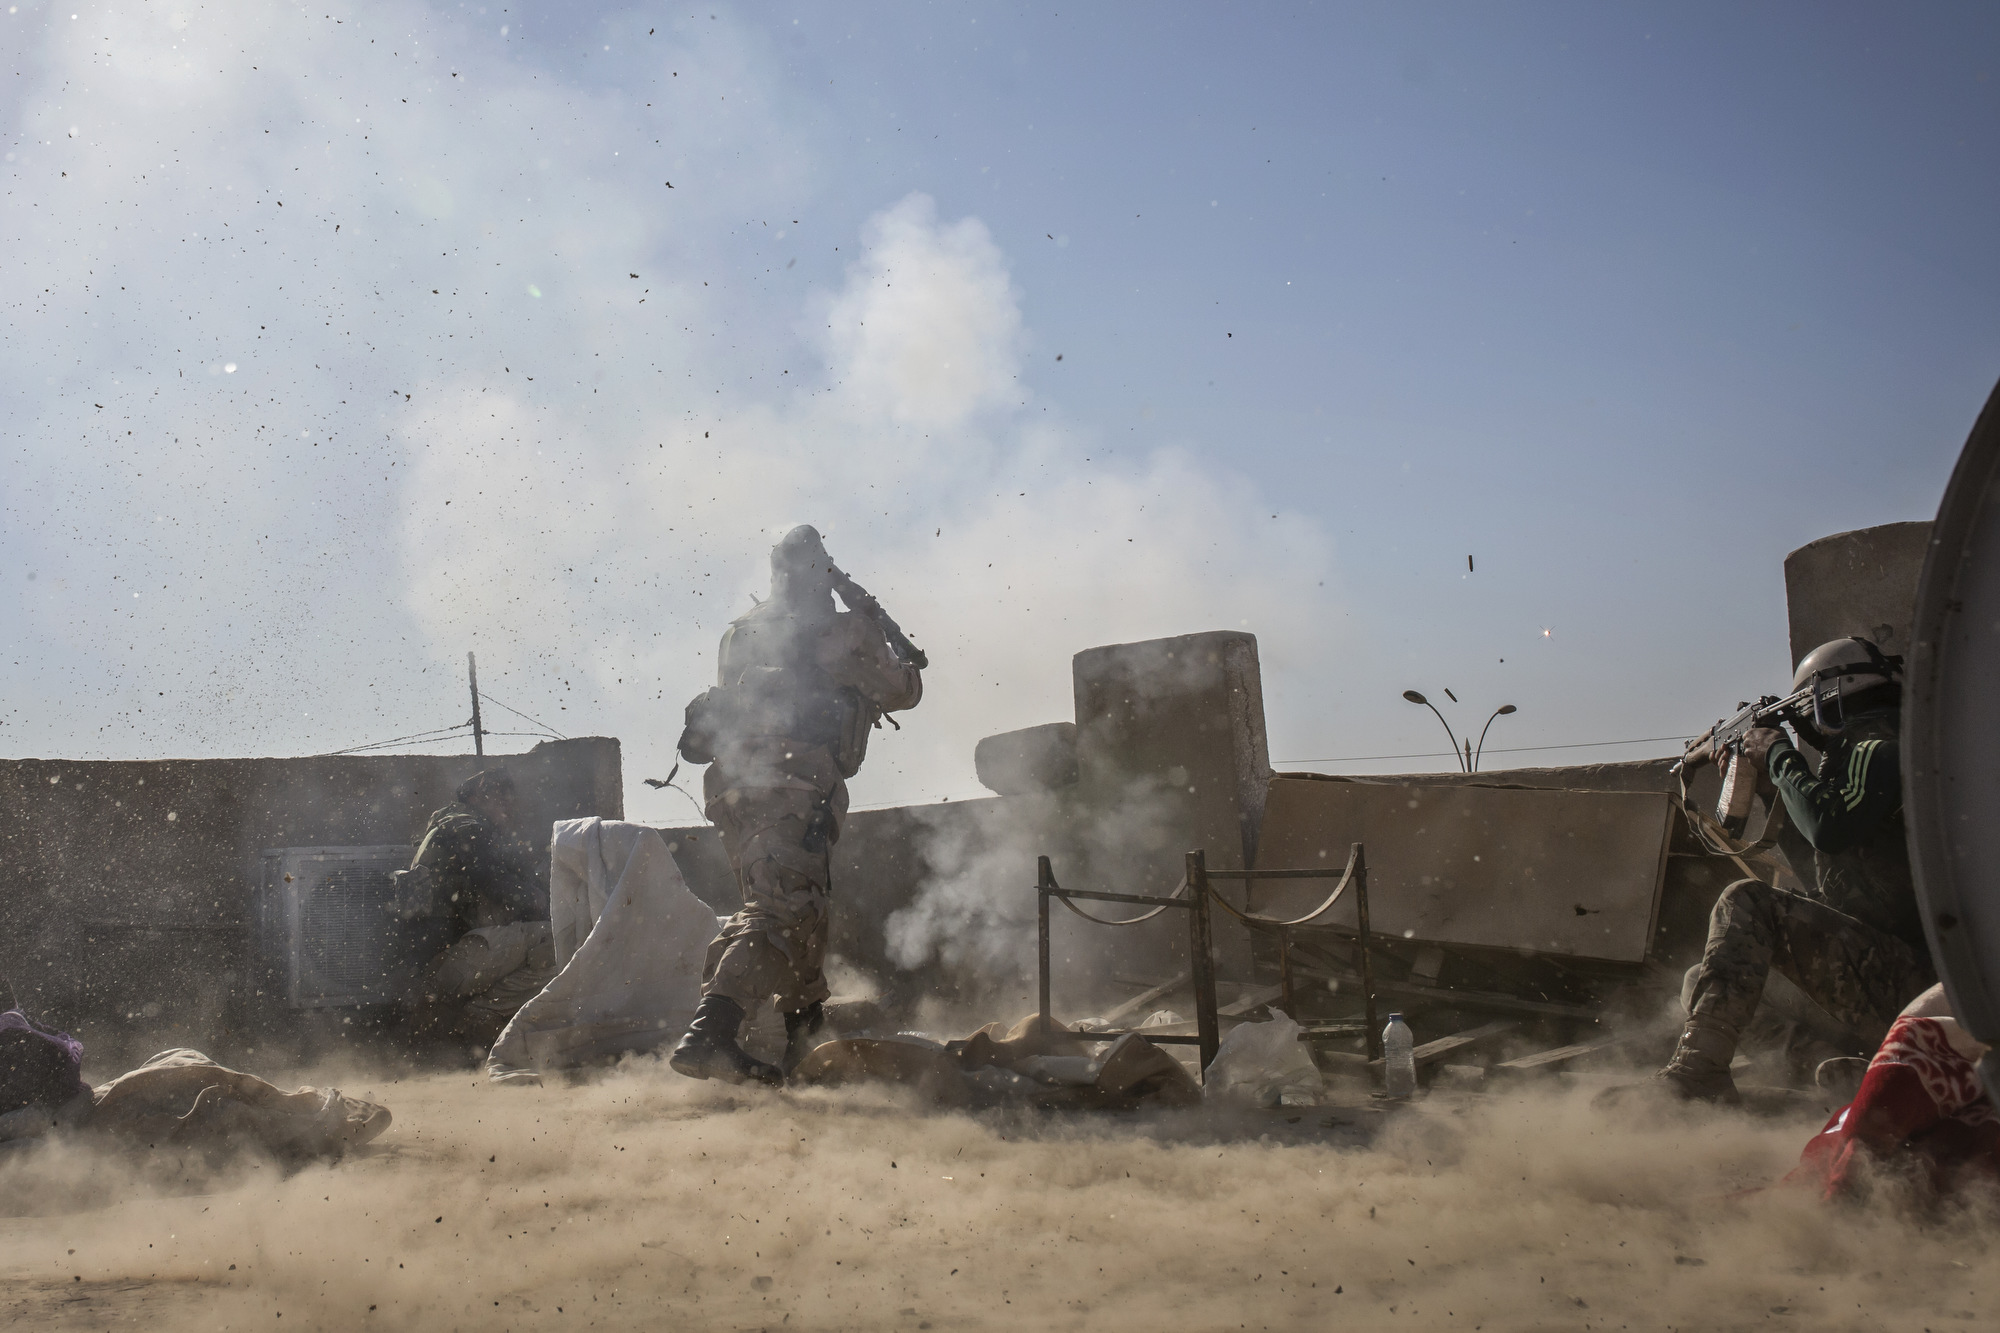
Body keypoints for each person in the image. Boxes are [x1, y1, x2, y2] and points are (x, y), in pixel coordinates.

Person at [669, 526, 923, 1085]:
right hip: (793, 783)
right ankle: (711, 1032)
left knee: (800, 910)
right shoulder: (841, 630)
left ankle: (803, 1044)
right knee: (780, 914)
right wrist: (880, 629)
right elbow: (901, 690)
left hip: (735, 787)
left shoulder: (740, 632)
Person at [1656, 637, 1937, 1101]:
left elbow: (1828, 828)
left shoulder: (1877, 748)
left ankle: (1697, 1073)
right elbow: (1825, 875)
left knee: (1745, 899)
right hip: (1888, 974)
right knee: (1701, 983)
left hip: (1917, 978)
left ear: (1830, 695)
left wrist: (1779, 756)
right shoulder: (1862, 758)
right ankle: (1855, 1078)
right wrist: (1770, 788)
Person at [404, 769, 557, 1045]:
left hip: (441, 967)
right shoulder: (468, 828)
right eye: (501, 798)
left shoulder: (449, 825)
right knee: (559, 944)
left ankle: (450, 1021)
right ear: (479, 794)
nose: (508, 807)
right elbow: (489, 876)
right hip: (454, 962)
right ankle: (482, 1015)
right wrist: (536, 898)